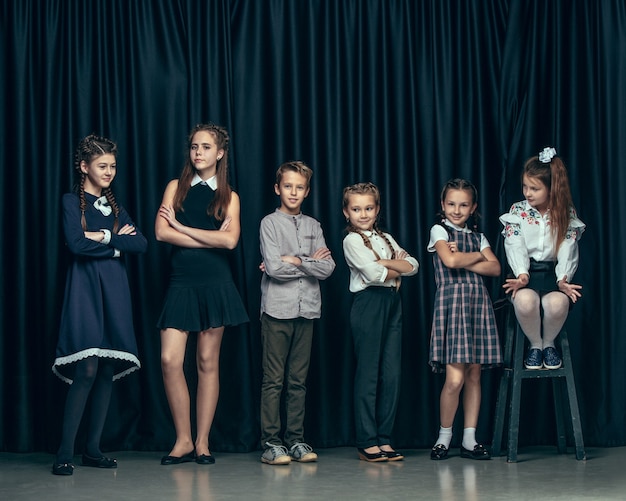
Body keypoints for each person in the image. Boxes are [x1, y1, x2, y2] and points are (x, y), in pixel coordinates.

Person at [52, 134, 147, 475]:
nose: (109, 172)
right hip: (85, 289)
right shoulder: (69, 202)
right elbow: (76, 245)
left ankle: (92, 449)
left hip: (115, 289)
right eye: (102, 166)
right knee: (88, 367)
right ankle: (64, 452)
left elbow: (143, 245)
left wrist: (105, 237)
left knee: (107, 367)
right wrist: (119, 243)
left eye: (113, 166)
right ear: (84, 167)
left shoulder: (117, 208)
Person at [156, 123, 248, 466]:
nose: (198, 153)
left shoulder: (229, 196)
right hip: (181, 280)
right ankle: (181, 439)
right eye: (195, 147)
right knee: (169, 361)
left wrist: (181, 227)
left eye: (206, 147)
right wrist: (202, 235)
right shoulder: (174, 188)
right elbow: (161, 234)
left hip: (216, 283)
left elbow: (230, 242)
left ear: (219, 153)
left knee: (207, 363)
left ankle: (202, 442)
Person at [258, 161, 336, 465]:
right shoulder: (269, 223)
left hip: (308, 312)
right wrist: (307, 262)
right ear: (278, 189)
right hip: (277, 310)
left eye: (299, 187)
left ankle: (296, 440)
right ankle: (271, 442)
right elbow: (275, 269)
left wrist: (297, 260)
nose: (293, 192)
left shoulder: (314, 225)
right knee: (273, 379)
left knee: (298, 380)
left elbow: (328, 268)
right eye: (287, 186)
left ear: (307, 191)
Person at [342, 182, 418, 462]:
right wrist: (393, 265)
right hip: (368, 304)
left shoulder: (385, 237)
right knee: (369, 373)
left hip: (393, 302)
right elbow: (374, 275)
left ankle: (385, 437)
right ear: (346, 212)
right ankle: (366, 440)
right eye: (356, 209)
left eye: (369, 208)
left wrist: (389, 264)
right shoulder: (351, 241)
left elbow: (414, 266)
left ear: (377, 210)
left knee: (392, 373)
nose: (363, 214)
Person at [428, 178, 501, 461]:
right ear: (442, 205)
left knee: (474, 374)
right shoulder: (439, 230)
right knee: (455, 378)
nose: (456, 210)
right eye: (451, 204)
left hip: (477, 305)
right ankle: (444, 437)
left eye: (463, 205)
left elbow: (495, 268)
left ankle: (469, 439)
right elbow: (450, 262)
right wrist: (474, 260)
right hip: (453, 306)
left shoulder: (478, 235)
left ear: (473, 208)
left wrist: (465, 256)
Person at [501, 147, 585, 370]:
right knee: (526, 301)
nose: (528, 193)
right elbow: (514, 243)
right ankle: (535, 346)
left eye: (535, 188)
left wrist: (563, 279)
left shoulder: (566, 213)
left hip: (553, 276)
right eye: (525, 187)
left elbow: (568, 246)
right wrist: (521, 273)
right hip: (526, 274)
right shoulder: (518, 210)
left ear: (551, 189)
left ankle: (549, 344)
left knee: (557, 304)